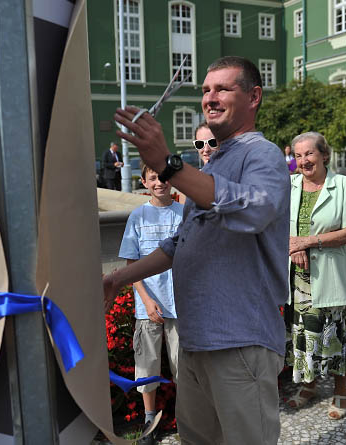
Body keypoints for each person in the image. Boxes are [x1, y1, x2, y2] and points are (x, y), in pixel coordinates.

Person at [105, 56, 289, 444]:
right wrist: (118, 279)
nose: (210, 97)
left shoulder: (262, 154)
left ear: (254, 96)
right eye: (206, 90)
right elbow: (180, 243)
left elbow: (255, 210)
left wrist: (168, 165)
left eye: (223, 88)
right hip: (195, 342)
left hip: (240, 341)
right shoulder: (211, 167)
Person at [285, 131, 346, 420]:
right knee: (302, 334)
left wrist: (308, 242)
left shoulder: (343, 185)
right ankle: (309, 385)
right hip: (296, 277)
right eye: (298, 155)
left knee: (334, 333)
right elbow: (276, 224)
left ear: (324, 155)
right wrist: (292, 246)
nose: (304, 160)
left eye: (309, 153)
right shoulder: (289, 185)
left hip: (328, 273)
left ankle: (341, 389)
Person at [117, 162, 183, 445]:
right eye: (153, 178)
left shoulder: (184, 213)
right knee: (147, 364)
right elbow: (132, 264)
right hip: (149, 306)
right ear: (144, 182)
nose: (159, 182)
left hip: (181, 305)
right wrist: (146, 299)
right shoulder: (138, 216)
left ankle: (187, 418)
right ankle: (149, 419)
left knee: (184, 365)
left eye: (164, 177)